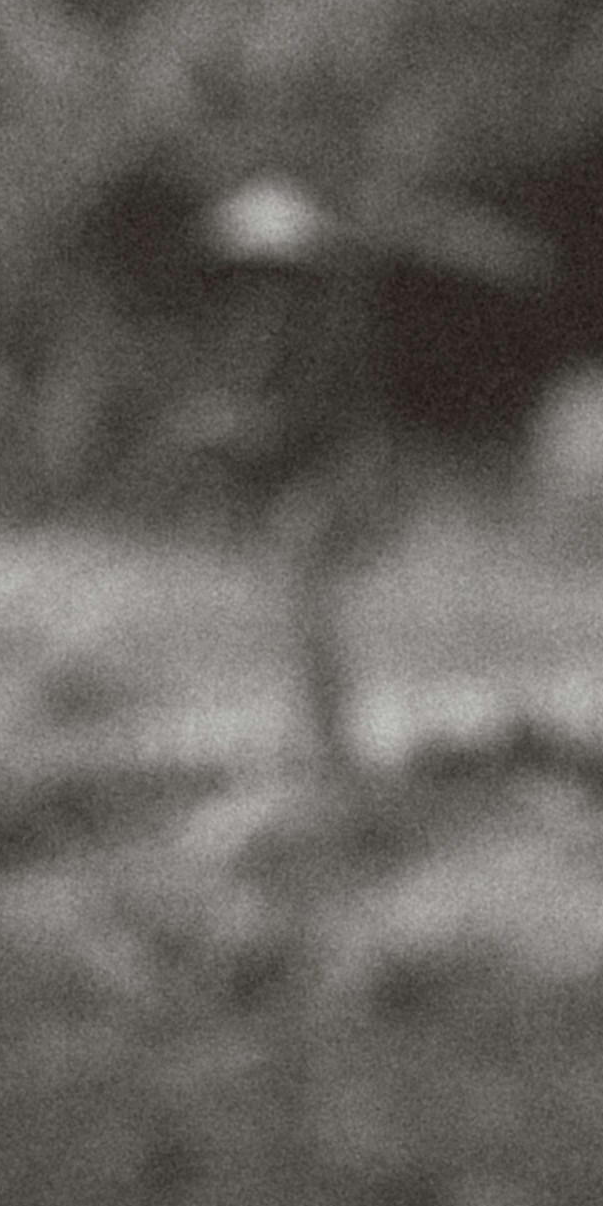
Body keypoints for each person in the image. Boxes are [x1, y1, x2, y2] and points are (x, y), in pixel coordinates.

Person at [192, 173, 404, 780]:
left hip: (339, 477)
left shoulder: (326, 330)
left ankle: (333, 748)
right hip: (301, 481)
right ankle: (312, 736)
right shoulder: (260, 331)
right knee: (290, 607)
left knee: (308, 600)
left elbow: (307, 418)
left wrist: (237, 433)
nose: (257, 282)